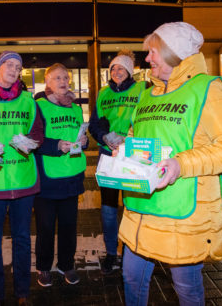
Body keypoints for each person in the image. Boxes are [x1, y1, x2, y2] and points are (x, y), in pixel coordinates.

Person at [119, 22, 222, 306]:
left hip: (184, 213)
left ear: (172, 53)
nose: (148, 58)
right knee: (131, 278)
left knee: (186, 289)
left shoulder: (207, 89)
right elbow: (136, 136)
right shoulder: (145, 93)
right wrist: (125, 151)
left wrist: (181, 164)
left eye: (152, 52)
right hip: (141, 208)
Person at [0, 51, 44, 306]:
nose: (14, 69)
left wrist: (29, 143)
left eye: (18, 66)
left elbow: (38, 132)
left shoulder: (27, 100)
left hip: (22, 181)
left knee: (23, 240)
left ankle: (22, 292)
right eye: (10, 65)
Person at [88, 50, 147, 275]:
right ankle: (112, 253)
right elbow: (95, 123)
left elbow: (149, 118)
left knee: (135, 207)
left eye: (121, 68)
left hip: (134, 155)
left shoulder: (144, 89)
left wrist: (131, 138)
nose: (116, 72)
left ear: (130, 71)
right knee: (109, 209)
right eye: (112, 68)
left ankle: (136, 250)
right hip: (109, 155)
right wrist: (105, 137)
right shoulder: (104, 93)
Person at [33, 63, 88, 287]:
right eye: (57, 78)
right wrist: (57, 145)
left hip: (72, 177)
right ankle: (44, 268)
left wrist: (84, 142)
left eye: (66, 77)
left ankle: (67, 264)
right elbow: (34, 140)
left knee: (68, 227)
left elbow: (80, 136)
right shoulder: (38, 106)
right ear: (47, 81)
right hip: (48, 179)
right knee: (45, 228)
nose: (63, 81)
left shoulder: (75, 108)